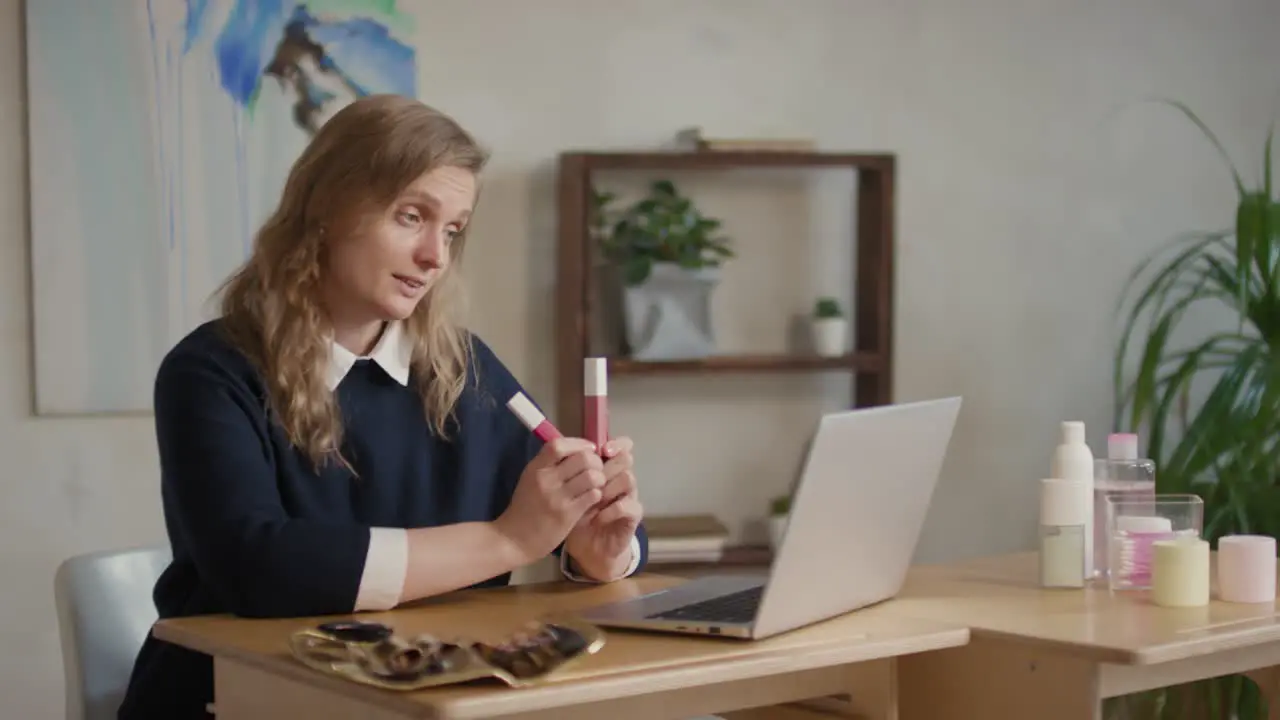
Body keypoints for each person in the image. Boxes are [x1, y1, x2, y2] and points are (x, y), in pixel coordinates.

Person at [116, 94, 648, 719]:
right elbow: (259, 566)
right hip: (236, 700)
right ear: (326, 211)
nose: (435, 256)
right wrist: (508, 541)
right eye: (411, 217)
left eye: (451, 229)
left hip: (426, 700)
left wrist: (598, 546)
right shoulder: (211, 372)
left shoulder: (463, 367)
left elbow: (587, 519)